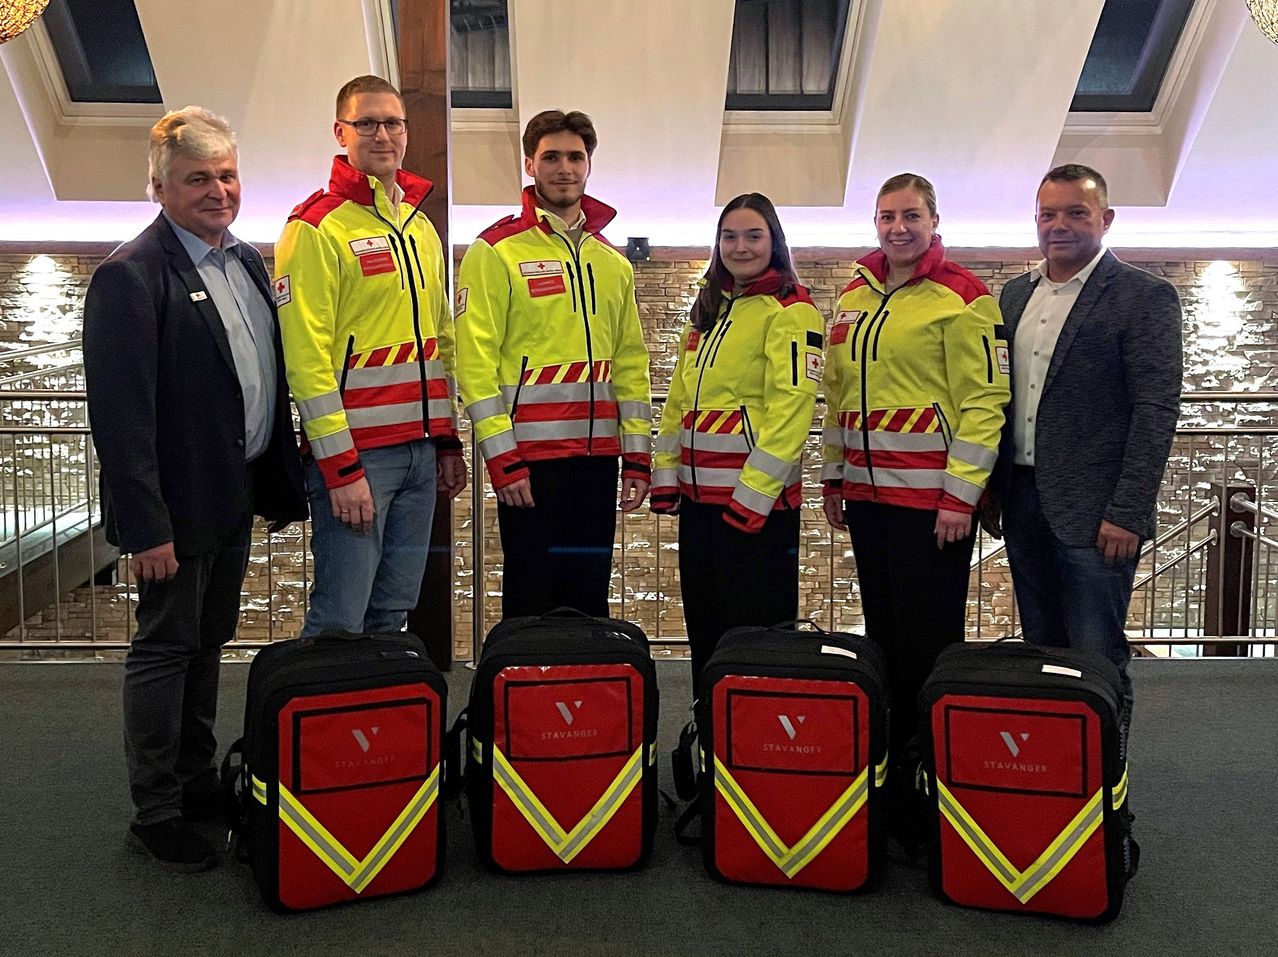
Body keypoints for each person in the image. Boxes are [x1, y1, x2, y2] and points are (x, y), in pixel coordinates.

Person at [83, 106, 307, 870]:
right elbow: (122, 418)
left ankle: (195, 777)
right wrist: (145, 529)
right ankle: (156, 809)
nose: (218, 190)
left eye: (227, 175)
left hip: (232, 493)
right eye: (198, 178)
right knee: (164, 648)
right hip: (172, 514)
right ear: (159, 186)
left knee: (208, 643)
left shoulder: (245, 261)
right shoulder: (130, 276)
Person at [821, 172, 1009, 772]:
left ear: (934, 222)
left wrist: (961, 497)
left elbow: (984, 401)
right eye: (886, 217)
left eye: (910, 216)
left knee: (929, 641)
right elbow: (839, 394)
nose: (898, 228)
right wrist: (832, 478)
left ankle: (933, 766)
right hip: (868, 500)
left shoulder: (965, 296)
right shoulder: (853, 296)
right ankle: (892, 763)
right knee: (883, 635)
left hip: (933, 508)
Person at [982, 164, 1183, 723]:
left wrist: (1129, 511)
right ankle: (1057, 783)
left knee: (1096, 658)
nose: (1059, 225)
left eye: (1076, 213)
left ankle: (1107, 793)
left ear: (1106, 220)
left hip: (1099, 516)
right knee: (1041, 653)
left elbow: (1156, 410)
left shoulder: (1145, 297)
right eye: (1048, 214)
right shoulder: (1014, 296)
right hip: (1021, 499)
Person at [274, 75, 466, 639]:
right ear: (341, 132)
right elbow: (305, 359)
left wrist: (448, 440)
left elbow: (441, 341)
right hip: (359, 459)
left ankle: (381, 730)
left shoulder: (419, 226)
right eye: (367, 123)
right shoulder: (314, 228)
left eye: (393, 122)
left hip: (421, 453)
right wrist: (340, 469)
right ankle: (324, 725)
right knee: (340, 615)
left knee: (392, 612)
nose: (382, 134)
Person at [454, 109, 651, 618]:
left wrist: (637, 455)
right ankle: (522, 696)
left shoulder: (612, 262)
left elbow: (630, 365)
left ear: (588, 165)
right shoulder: (494, 251)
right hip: (529, 463)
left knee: (589, 599)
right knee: (531, 598)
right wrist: (501, 459)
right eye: (551, 157)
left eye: (575, 157)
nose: (564, 168)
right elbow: (474, 364)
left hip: (597, 461)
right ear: (529, 164)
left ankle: (586, 695)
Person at [650, 193, 823, 692]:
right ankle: (710, 743)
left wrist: (754, 497)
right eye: (730, 236)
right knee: (707, 635)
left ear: (775, 243)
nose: (740, 247)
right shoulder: (707, 310)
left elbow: (791, 412)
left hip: (756, 511)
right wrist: (667, 478)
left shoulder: (791, 311)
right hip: (700, 505)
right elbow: (678, 404)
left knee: (755, 642)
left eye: (753, 236)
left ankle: (756, 747)